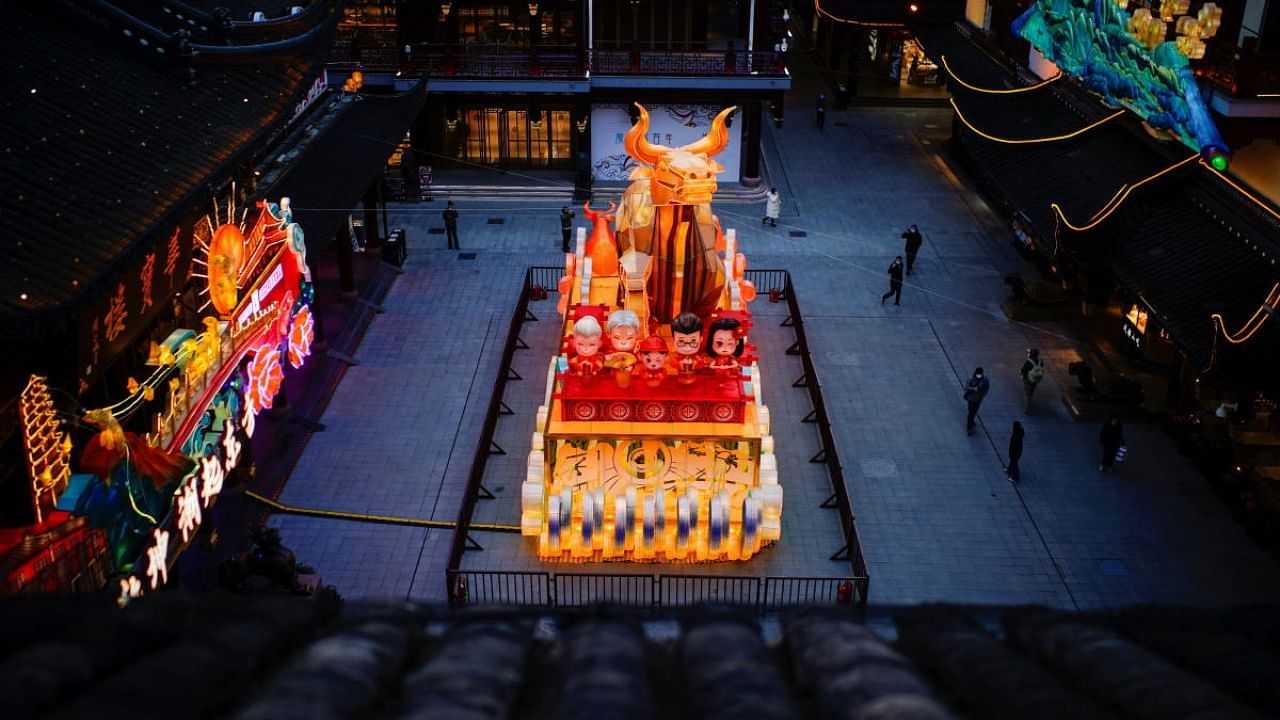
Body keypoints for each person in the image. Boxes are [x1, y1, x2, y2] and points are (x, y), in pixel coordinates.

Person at [963, 367, 990, 435]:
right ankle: (969, 428)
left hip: (978, 398)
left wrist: (983, 394)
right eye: (978, 374)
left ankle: (971, 422)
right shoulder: (971, 379)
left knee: (974, 412)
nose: (979, 375)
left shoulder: (984, 380)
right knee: (971, 413)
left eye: (980, 374)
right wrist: (974, 389)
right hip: (971, 399)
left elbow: (987, 387)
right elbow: (966, 387)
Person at [1019, 348, 1046, 413]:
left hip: (1028, 380)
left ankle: (1027, 408)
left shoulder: (1029, 361)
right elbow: (1041, 368)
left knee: (1027, 394)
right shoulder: (1040, 361)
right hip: (1036, 380)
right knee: (1031, 393)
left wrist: (1021, 374)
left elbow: (1023, 370)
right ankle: (1029, 404)